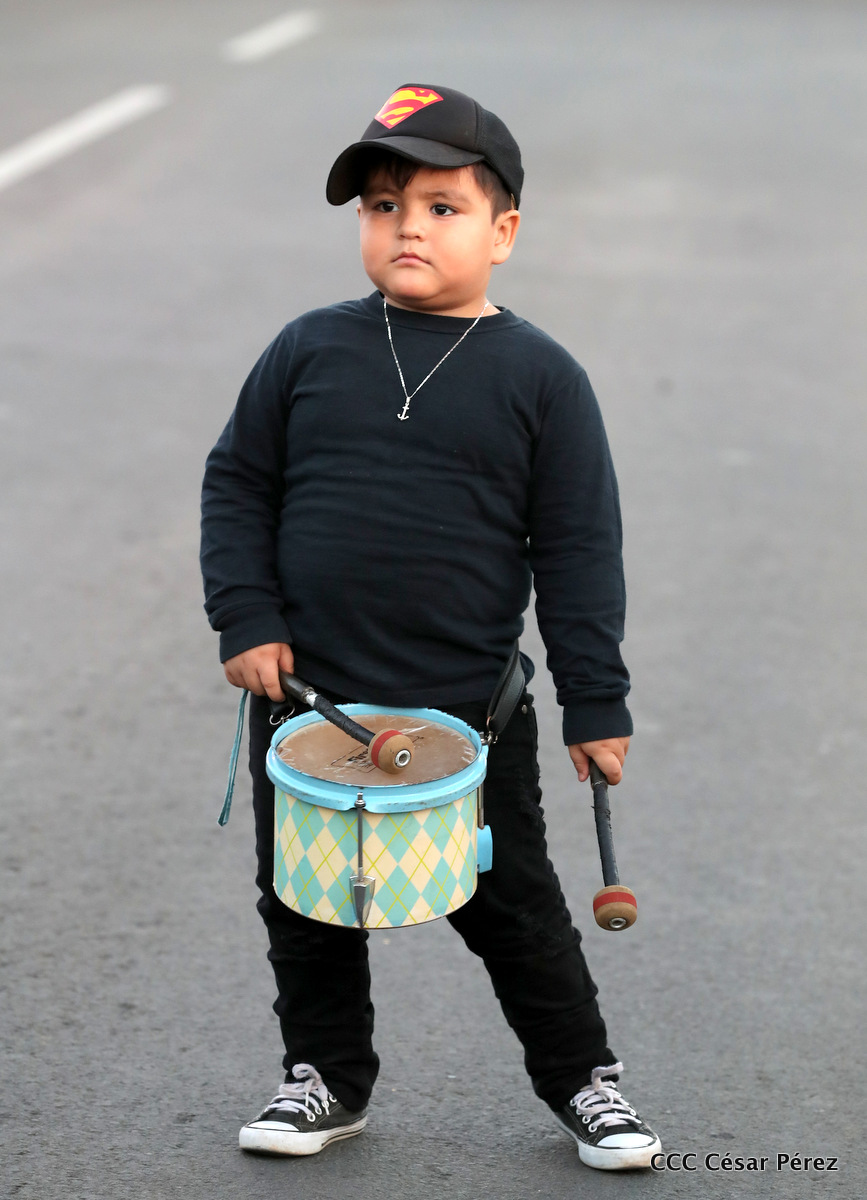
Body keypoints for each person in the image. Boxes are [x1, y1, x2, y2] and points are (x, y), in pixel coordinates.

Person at [200, 83, 661, 1171]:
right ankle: (324, 1079)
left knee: (513, 909)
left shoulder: (542, 378)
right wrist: (246, 617)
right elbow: (238, 485)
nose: (407, 227)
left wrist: (596, 701)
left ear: (502, 232)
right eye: (383, 206)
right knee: (306, 903)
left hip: (466, 714)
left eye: (442, 208)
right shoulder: (308, 348)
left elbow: (579, 550)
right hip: (306, 702)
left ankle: (586, 1082)